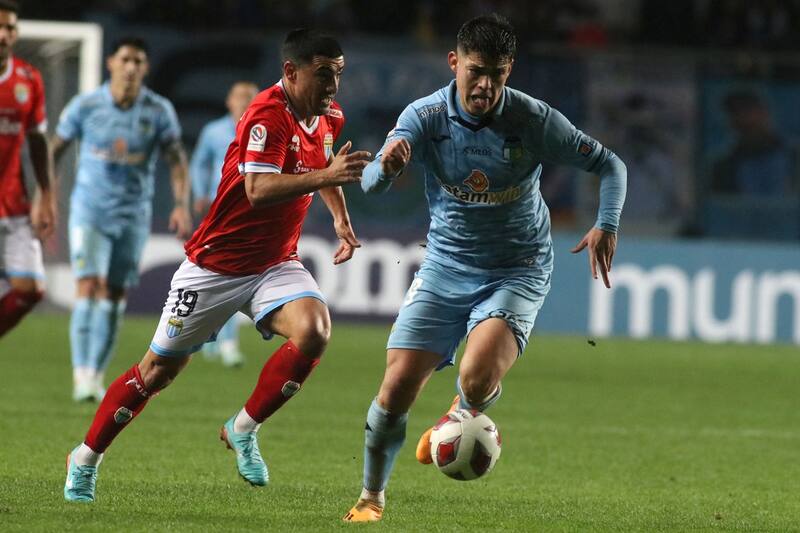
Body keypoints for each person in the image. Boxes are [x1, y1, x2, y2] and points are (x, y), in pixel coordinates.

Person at [64, 28, 371, 503]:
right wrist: (326, 175)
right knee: (156, 373)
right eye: (323, 73)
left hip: (274, 263)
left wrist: (340, 218)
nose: (333, 85)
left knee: (315, 331)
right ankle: (85, 458)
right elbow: (258, 190)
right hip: (216, 266)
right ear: (291, 71)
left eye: (339, 73)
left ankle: (243, 428)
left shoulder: (329, 116)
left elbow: (325, 164)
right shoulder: (267, 114)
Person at [343, 14, 626, 522]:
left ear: (509, 70)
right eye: (476, 71)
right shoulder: (425, 116)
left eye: (497, 73)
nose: (485, 85)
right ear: (454, 63)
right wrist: (384, 169)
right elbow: (369, 183)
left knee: (474, 380)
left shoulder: (533, 120)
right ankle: (370, 498)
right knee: (396, 388)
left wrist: (606, 223)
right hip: (445, 265)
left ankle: (461, 411)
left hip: (517, 268)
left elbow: (611, 165)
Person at [52, 37, 193, 402]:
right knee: (89, 285)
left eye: (138, 61)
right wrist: (45, 195)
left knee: (114, 294)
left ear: (145, 68)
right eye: (126, 59)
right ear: (111, 62)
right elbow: (54, 148)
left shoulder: (158, 110)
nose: (131, 67)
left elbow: (176, 159)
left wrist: (181, 204)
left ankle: (95, 374)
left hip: (133, 215)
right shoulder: (86, 105)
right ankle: (81, 372)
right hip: (89, 211)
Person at [190, 81, 259, 367]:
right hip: (219, 211)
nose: (244, 101)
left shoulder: (262, 130)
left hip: (252, 211)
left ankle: (223, 340)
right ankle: (213, 336)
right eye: (239, 97)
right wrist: (200, 192)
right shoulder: (214, 131)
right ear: (229, 101)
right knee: (218, 274)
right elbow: (199, 163)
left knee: (234, 275)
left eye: (250, 97)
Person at [0, 0, 56, 339]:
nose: (3, 34)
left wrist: (46, 194)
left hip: (14, 201)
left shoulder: (28, 78)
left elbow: (37, 141)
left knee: (31, 289)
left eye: (9, 28)